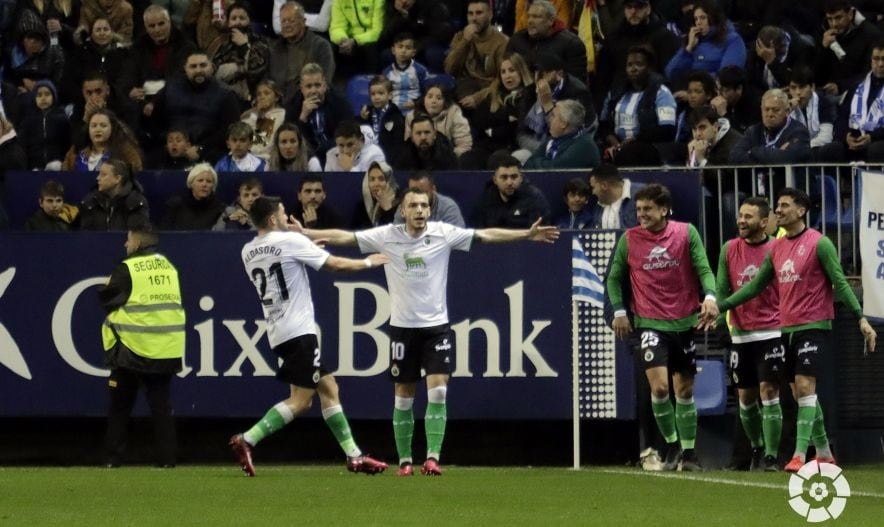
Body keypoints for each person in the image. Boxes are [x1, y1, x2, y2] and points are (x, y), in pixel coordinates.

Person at [296, 187, 560, 476]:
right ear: (403, 211)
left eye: (424, 205)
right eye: (414, 205)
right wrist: (305, 233)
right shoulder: (387, 235)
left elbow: (485, 235)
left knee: (438, 391)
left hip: (436, 328)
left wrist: (526, 234)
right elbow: (345, 237)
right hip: (402, 329)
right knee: (404, 396)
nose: (420, 210)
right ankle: (406, 461)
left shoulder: (443, 233)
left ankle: (432, 458)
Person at [710, 188, 878, 472]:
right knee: (802, 394)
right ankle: (824, 451)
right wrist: (721, 306)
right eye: (777, 205)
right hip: (786, 330)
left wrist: (860, 318)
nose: (779, 210)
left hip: (814, 326)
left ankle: (800, 455)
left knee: (803, 387)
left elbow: (840, 281)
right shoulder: (776, 248)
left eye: (784, 205)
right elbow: (754, 286)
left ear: (801, 210)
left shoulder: (819, 243)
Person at [229, 196, 391, 477]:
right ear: (271, 220)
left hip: (278, 331)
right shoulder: (291, 242)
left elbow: (280, 263)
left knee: (329, 387)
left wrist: (305, 248)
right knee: (301, 401)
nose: (286, 218)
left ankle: (354, 456)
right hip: (299, 331)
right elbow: (335, 265)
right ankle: (248, 439)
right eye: (281, 214)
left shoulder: (248, 251)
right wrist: (368, 263)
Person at [606, 183, 719, 472]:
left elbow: (703, 268)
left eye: (648, 209)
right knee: (658, 388)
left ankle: (690, 453)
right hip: (649, 325)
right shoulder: (629, 239)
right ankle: (671, 445)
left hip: (683, 323)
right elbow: (614, 278)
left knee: (684, 390)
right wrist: (619, 311)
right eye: (639, 209)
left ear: (664, 209)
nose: (641, 214)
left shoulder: (685, 233)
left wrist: (709, 296)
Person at [97, 222, 185, 467]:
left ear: (137, 242)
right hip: (166, 347)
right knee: (162, 408)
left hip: (132, 348)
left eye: (128, 240)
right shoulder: (168, 267)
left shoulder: (128, 268)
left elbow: (108, 300)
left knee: (120, 407)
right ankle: (168, 461)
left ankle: (113, 460)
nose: (126, 244)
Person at [716, 197, 785, 472]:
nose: (742, 221)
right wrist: (723, 322)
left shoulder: (778, 249)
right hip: (741, 334)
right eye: (740, 215)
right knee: (745, 397)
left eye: (748, 217)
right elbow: (722, 287)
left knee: (769, 391)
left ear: (765, 222)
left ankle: (771, 456)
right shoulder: (729, 249)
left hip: (772, 330)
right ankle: (756, 449)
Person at [145, 49, 241, 163]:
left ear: (212, 67)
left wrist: (201, 148)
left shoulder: (226, 94)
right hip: (170, 150)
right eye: (193, 66)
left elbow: (229, 130)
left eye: (203, 65)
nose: (198, 70)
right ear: (185, 68)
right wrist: (172, 143)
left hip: (210, 151)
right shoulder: (169, 90)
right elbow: (155, 124)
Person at [599, 46, 677, 167]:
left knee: (630, 153)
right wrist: (611, 139)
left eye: (639, 64)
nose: (633, 69)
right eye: (629, 65)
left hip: (649, 148)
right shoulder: (615, 93)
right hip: (618, 146)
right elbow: (603, 124)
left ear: (649, 68)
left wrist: (636, 140)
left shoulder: (661, 92)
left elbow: (668, 130)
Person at [268, 1, 335, 107]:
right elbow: (269, 82)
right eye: (283, 21)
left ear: (303, 21)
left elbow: (326, 82)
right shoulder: (275, 49)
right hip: (277, 106)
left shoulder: (321, 46)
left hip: (309, 104)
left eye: (291, 21)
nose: (286, 25)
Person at [287, 62, 354, 165]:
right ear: (302, 88)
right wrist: (302, 118)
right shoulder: (293, 106)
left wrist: (321, 151)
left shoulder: (340, 104)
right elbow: (289, 139)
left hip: (336, 153)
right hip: (305, 158)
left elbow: (347, 134)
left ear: (325, 85)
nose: (313, 90)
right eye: (309, 86)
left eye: (317, 85)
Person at [664, 0, 746, 83]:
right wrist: (688, 49)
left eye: (703, 18)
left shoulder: (732, 40)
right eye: (696, 19)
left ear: (714, 18)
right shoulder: (693, 41)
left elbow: (728, 77)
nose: (698, 22)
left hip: (713, 91)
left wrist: (695, 84)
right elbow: (670, 73)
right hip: (688, 91)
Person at [444, 0, 509, 102]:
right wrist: (465, 42)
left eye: (479, 13)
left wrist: (477, 98)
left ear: (490, 14)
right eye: (470, 14)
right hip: (464, 87)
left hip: (490, 90)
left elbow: (502, 79)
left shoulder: (502, 42)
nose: (474, 18)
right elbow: (449, 69)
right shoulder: (461, 37)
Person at [816, 0, 882, 98]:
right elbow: (816, 74)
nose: (834, 24)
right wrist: (823, 49)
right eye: (830, 19)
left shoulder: (871, 35)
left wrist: (840, 86)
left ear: (850, 14)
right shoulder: (825, 33)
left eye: (838, 18)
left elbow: (869, 73)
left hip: (856, 93)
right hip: (826, 91)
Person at [506, 0, 587, 80]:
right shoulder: (516, 40)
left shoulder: (571, 44)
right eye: (529, 16)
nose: (530, 21)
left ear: (551, 21)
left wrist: (555, 80)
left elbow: (577, 85)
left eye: (536, 17)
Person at [210, 2, 271, 108]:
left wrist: (244, 47)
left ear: (249, 21)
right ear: (228, 23)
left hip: (252, 100)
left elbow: (255, 73)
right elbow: (213, 73)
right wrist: (238, 68)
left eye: (242, 18)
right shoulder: (222, 44)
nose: (238, 22)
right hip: (222, 99)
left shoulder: (260, 42)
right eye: (234, 18)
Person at [729, 88, 811, 165]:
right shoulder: (753, 131)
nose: (770, 114)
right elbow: (735, 156)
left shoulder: (799, 131)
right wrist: (775, 154)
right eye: (766, 109)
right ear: (761, 110)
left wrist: (754, 151)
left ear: (787, 111)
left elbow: (787, 158)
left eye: (776, 110)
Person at [471, 153, 550, 228]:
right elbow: (478, 233)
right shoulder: (486, 199)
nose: (509, 182)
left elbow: (541, 232)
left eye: (514, 177)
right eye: (504, 177)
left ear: (521, 178)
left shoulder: (534, 198)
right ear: (495, 180)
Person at [523, 99, 600, 169]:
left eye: (553, 116)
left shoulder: (584, 145)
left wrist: (537, 162)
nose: (549, 119)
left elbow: (555, 169)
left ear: (563, 123)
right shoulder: (551, 140)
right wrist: (543, 162)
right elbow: (527, 165)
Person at [62, 108, 143, 172]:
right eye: (94, 126)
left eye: (103, 126)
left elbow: (135, 176)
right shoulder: (75, 152)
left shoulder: (125, 151)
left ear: (112, 128)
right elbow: (65, 177)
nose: (98, 129)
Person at [78, 158, 150, 231]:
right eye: (99, 174)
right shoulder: (90, 201)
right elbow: (86, 235)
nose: (98, 178)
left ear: (117, 179)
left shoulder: (135, 202)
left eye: (103, 175)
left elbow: (137, 236)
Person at [404, 84, 473, 158]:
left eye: (439, 98)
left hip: (448, 161)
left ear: (445, 102)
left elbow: (464, 146)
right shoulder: (411, 116)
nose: (434, 101)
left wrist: (447, 159)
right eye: (430, 97)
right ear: (423, 99)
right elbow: (409, 146)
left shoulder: (454, 113)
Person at [845, 39, 884, 162]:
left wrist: (872, 137)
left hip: (879, 140)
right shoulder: (857, 85)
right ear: (871, 60)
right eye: (876, 59)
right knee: (831, 150)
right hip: (856, 138)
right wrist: (846, 136)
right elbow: (842, 116)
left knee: (875, 149)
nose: (880, 64)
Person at [18, 79, 70, 170]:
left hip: (57, 165)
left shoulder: (62, 119)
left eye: (47, 94)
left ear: (53, 96)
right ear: (34, 98)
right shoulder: (28, 121)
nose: (43, 98)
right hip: (34, 166)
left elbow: (67, 144)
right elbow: (23, 146)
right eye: (39, 95)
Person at [160, 163, 226, 230]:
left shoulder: (219, 208)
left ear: (213, 186)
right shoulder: (175, 205)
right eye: (200, 180)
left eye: (209, 181)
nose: (204, 184)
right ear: (191, 183)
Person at [328, 0, 383, 75]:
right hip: (348, 39)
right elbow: (336, 27)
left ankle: (371, 80)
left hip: (369, 38)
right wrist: (343, 39)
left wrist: (355, 41)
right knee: (329, 46)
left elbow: (377, 31)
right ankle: (326, 82)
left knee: (370, 47)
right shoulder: (338, 1)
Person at [394, 171, 465, 227]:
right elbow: (396, 237)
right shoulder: (403, 207)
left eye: (423, 192)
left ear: (433, 190)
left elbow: (456, 239)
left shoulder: (448, 207)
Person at [358, 76, 406, 159]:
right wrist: (362, 119)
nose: (376, 97)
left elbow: (397, 145)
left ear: (390, 95)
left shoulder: (396, 116)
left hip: (387, 157)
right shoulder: (366, 113)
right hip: (367, 156)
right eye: (373, 94)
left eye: (380, 93)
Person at [241, 79, 287, 162]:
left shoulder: (278, 114)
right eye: (259, 94)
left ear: (276, 97)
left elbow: (260, 146)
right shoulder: (253, 114)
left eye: (267, 93)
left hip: (264, 161)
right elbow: (241, 135)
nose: (262, 97)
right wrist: (255, 113)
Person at [391, 113, 458, 170]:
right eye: (418, 133)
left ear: (434, 134)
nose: (423, 137)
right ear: (412, 137)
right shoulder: (403, 156)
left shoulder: (447, 154)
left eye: (427, 132)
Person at [382, 32, 428, 112]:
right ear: (393, 50)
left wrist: (417, 103)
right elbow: (382, 93)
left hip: (415, 110)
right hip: (393, 112)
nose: (403, 50)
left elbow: (427, 93)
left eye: (408, 48)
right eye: (400, 47)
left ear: (413, 52)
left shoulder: (421, 70)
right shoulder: (387, 72)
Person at [352, 160, 399, 228]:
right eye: (372, 179)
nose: (376, 184)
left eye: (381, 179)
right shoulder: (362, 206)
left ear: (389, 181)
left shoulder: (401, 203)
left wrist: (387, 209)